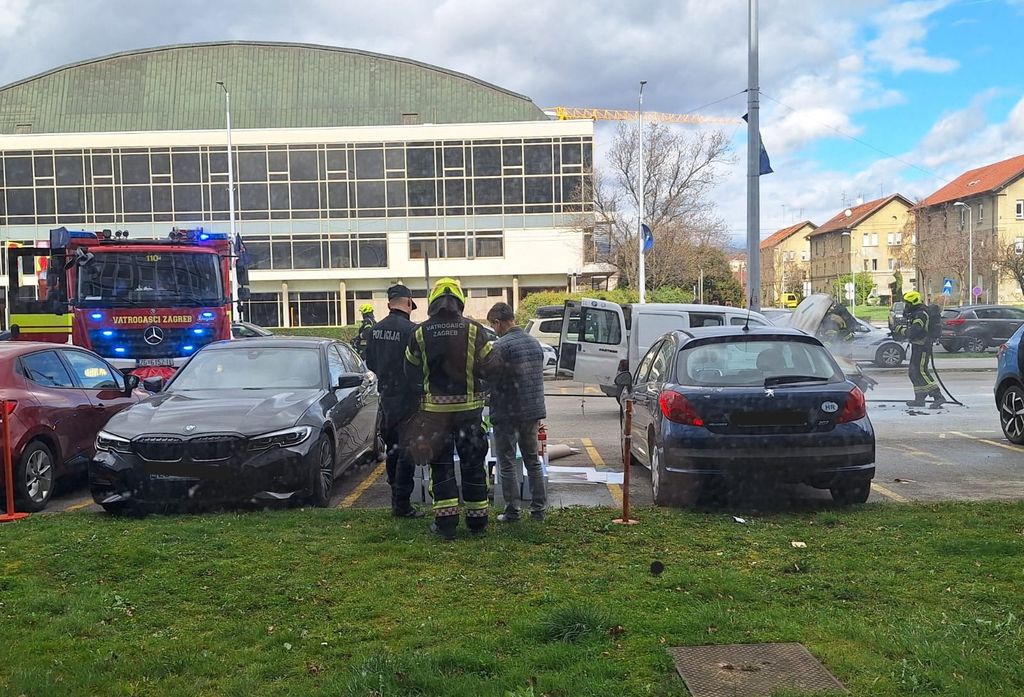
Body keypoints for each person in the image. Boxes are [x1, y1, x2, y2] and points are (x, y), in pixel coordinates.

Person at [403, 278, 493, 540]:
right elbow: (490, 365)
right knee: (474, 462)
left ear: (432, 302)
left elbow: (409, 371)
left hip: (435, 415)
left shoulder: (420, 332)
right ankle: (477, 522)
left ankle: (446, 525)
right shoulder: (475, 330)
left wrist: (425, 391)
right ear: (459, 301)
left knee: (440, 465)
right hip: (470, 412)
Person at [363, 284, 423, 518]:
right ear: (408, 303)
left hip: (386, 398)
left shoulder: (375, 330)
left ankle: (394, 499)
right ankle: (403, 505)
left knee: (392, 449)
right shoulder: (411, 330)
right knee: (407, 452)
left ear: (389, 304)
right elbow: (418, 365)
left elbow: (370, 363)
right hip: (408, 399)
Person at [484, 302, 547, 522]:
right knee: (533, 461)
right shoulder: (534, 342)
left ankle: (512, 511)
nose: (494, 330)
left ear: (498, 322)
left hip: (507, 412)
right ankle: (538, 509)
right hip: (532, 411)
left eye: (493, 326)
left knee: (507, 462)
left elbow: (491, 377)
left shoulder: (501, 346)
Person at [892, 290, 945, 408]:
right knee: (913, 372)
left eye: (907, 304)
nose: (906, 307)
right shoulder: (916, 313)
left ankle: (938, 396)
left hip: (923, 347)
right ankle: (919, 399)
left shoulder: (921, 314)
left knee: (921, 371)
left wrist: (899, 329)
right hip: (918, 346)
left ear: (913, 303)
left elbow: (913, 332)